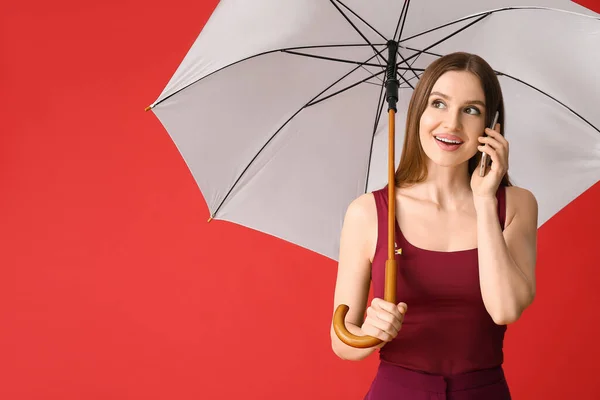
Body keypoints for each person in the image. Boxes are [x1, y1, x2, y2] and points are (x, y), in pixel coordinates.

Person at [330, 52, 538, 400]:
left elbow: (505, 309)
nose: (451, 124)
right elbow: (342, 340)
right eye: (438, 103)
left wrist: (485, 200)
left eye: (471, 110)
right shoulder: (368, 213)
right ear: (418, 113)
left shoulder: (515, 205)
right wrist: (369, 330)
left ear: (492, 126)